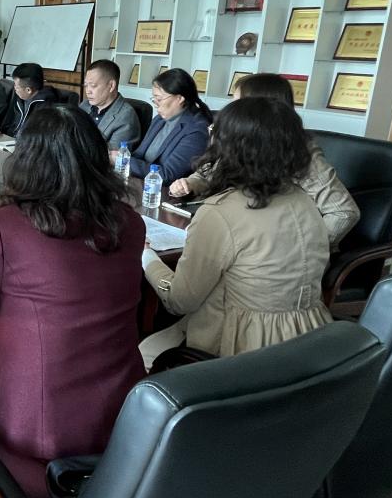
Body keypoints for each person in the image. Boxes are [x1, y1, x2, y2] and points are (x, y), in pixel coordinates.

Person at [0, 106, 146, 498]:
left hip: (35, 443)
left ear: (26, 160)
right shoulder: (130, 223)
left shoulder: (7, 227)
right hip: (123, 423)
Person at [139, 97, 333, 369]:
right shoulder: (305, 201)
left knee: (140, 355)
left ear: (230, 148)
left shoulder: (220, 212)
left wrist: (147, 257)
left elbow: (178, 301)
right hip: (311, 341)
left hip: (241, 348)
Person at [170, 73, 359, 248]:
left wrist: (303, 250)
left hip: (277, 254)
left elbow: (343, 212)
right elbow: (208, 173)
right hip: (238, 234)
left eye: (237, 103)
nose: (230, 109)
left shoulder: (300, 152)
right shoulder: (239, 138)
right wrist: (191, 183)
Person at [128, 68, 211, 182]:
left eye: (159, 99)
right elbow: (138, 155)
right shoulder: (159, 119)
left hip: (165, 189)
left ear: (180, 98)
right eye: (154, 98)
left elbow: (168, 175)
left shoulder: (197, 130)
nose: (155, 103)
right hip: (141, 181)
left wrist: (125, 161)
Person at [79, 59, 141, 149]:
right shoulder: (84, 105)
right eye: (86, 85)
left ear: (111, 86)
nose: (88, 91)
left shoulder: (125, 117)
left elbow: (111, 154)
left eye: (93, 85)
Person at [0, 62, 60, 137]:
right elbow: (9, 122)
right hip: (10, 139)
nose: (14, 88)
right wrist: (1, 131)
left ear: (28, 90)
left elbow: (38, 136)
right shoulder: (20, 98)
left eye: (17, 86)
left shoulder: (46, 107)